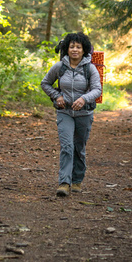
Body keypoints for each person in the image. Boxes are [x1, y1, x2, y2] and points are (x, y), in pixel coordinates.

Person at [41, 32, 102, 197]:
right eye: (72, 46)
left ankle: (77, 180)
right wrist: (56, 95)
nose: (75, 49)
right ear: (66, 49)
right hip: (64, 112)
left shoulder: (90, 69)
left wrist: (84, 99)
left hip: (84, 113)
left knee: (79, 148)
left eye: (78, 47)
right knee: (67, 146)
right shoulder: (59, 67)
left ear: (84, 50)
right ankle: (64, 183)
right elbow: (45, 83)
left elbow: (97, 89)